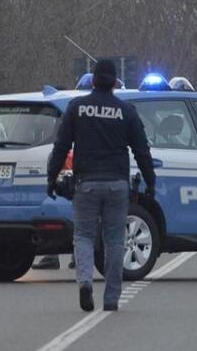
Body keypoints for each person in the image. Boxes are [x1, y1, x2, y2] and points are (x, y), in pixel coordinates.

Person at [47, 59, 156, 311]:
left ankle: (85, 282)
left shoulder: (77, 107)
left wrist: (51, 178)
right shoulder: (127, 111)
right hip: (117, 184)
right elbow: (142, 151)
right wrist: (151, 182)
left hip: (86, 184)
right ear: (116, 82)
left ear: (93, 80)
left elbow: (61, 146)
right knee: (115, 239)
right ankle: (111, 298)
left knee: (84, 236)